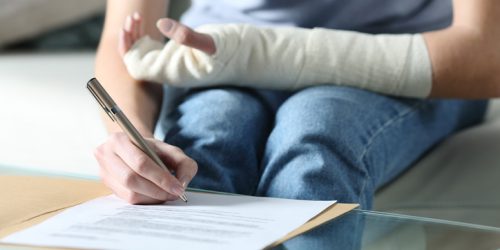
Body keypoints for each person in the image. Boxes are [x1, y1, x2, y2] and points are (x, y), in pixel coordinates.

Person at [94, 0, 499, 207]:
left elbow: (489, 54)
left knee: (315, 144)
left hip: (416, 58)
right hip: (215, 57)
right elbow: (128, 40)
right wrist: (133, 141)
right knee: (202, 152)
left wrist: (263, 54)